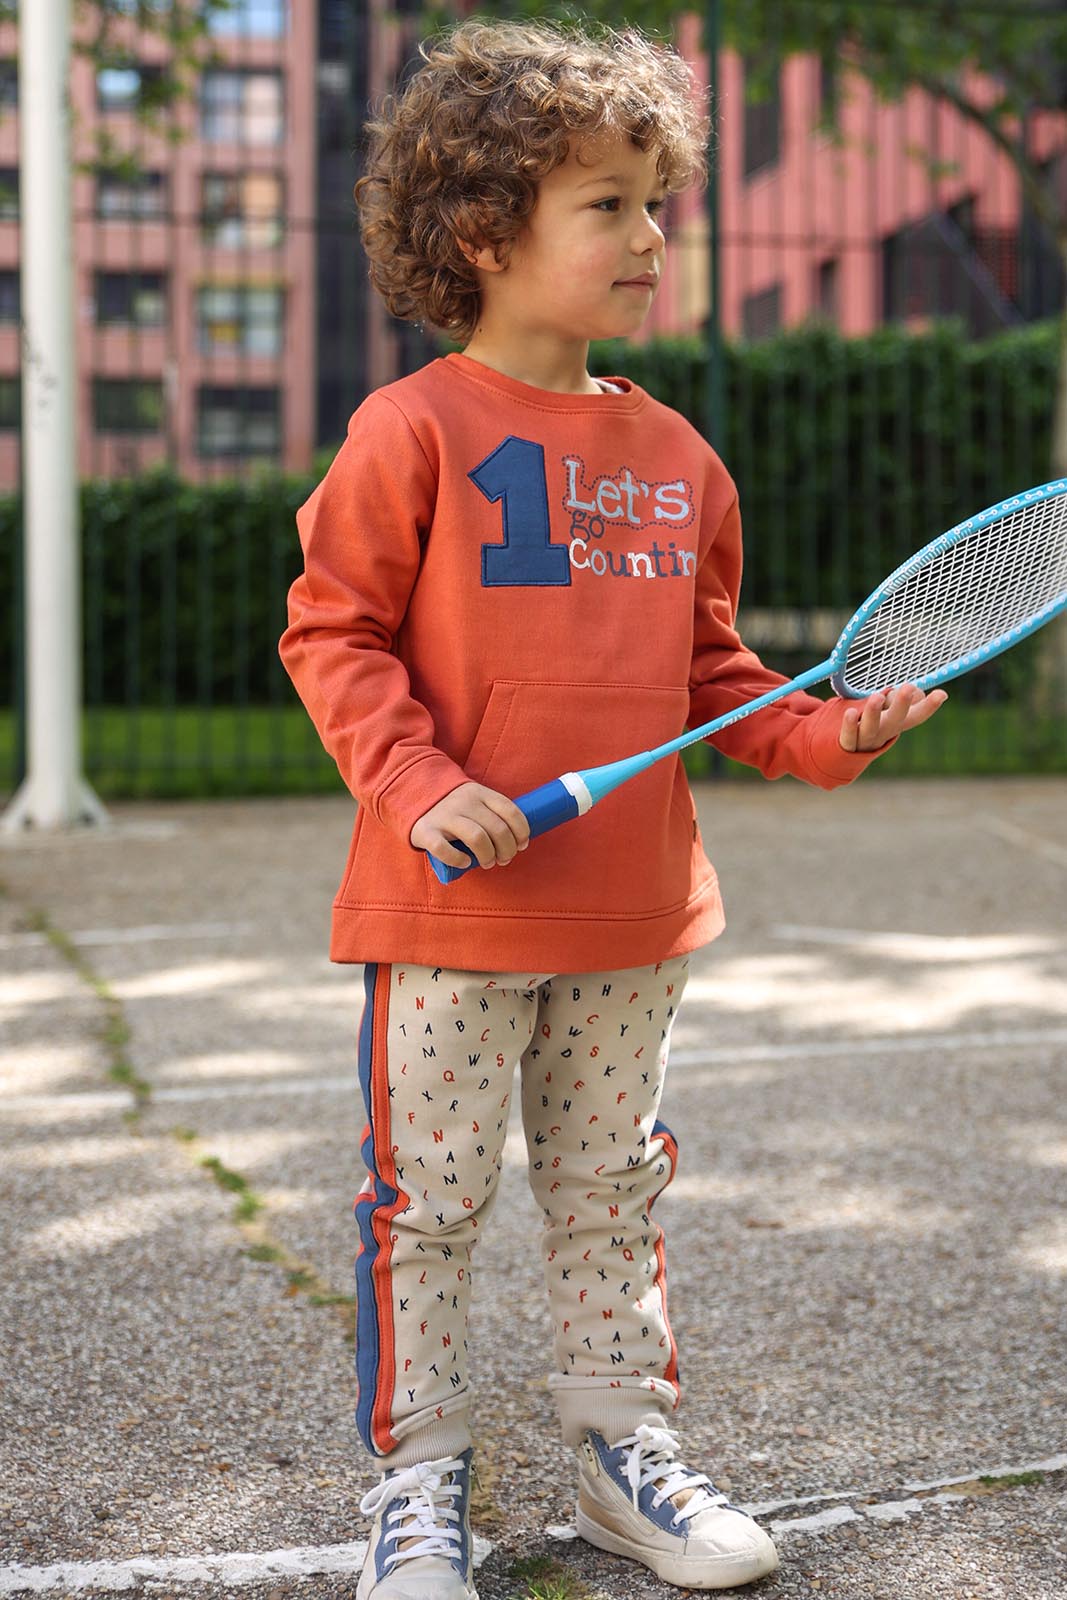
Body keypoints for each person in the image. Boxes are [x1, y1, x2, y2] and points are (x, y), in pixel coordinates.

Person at [279, 17, 946, 1599]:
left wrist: (833, 733)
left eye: (657, 201)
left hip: (634, 918)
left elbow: (713, 674)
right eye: (609, 205)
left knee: (612, 1191)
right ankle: (421, 1482)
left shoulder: (682, 458)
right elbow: (333, 633)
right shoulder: (411, 430)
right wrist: (425, 784)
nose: (653, 236)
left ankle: (616, 1455)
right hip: (449, 917)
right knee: (426, 1204)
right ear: (483, 234)